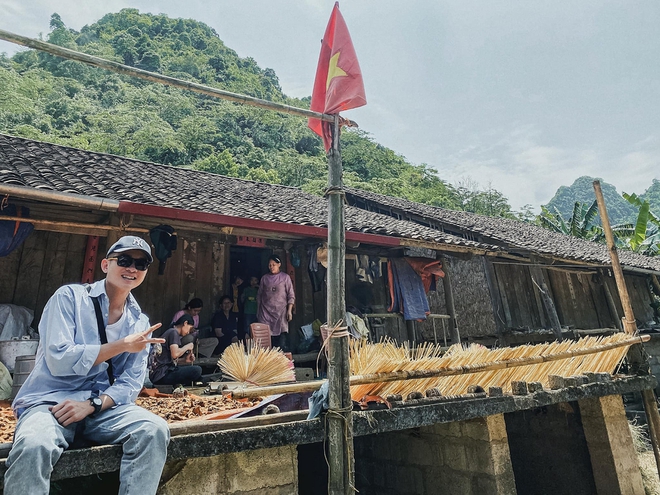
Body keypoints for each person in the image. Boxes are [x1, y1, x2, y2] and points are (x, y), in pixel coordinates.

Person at [5, 235, 169, 495]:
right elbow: (59, 360)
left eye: (141, 265)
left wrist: (92, 405)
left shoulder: (140, 322)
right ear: (105, 265)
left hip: (99, 408)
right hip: (50, 402)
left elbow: (130, 383)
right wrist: (122, 345)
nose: (132, 269)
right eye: (124, 260)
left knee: (153, 429)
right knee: (34, 445)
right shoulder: (69, 298)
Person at [149, 314, 202, 386]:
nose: (189, 332)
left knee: (196, 373)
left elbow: (168, 360)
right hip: (162, 374)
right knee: (197, 370)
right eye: (190, 329)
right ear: (185, 323)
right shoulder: (173, 332)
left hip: (159, 374)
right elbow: (175, 354)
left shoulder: (170, 332)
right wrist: (187, 346)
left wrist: (184, 360)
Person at [257, 255, 295, 349]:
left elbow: (291, 295)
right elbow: (259, 295)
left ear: (279, 265)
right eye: (270, 265)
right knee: (266, 341)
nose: (271, 267)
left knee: (281, 343)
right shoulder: (264, 278)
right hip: (265, 313)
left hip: (281, 312)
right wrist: (258, 311)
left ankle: (280, 362)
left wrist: (289, 311)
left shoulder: (285, 277)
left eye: (274, 264)